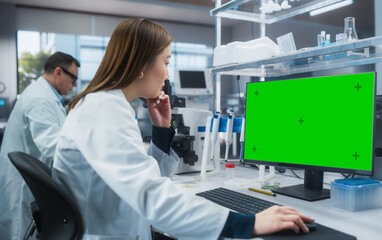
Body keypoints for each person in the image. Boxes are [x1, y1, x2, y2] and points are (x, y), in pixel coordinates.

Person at [51, 18, 312, 239]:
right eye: (166, 62)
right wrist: (247, 223)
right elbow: (152, 197)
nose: (167, 73)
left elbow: (140, 180)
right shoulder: (104, 108)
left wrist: (162, 131)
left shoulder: (104, 103)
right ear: (142, 64)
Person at [0, 52, 80, 240]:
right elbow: (52, 145)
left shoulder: (48, 98)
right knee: (21, 232)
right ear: (58, 72)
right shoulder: (39, 99)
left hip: (31, 182)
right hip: (22, 186)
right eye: (73, 78)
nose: (75, 84)